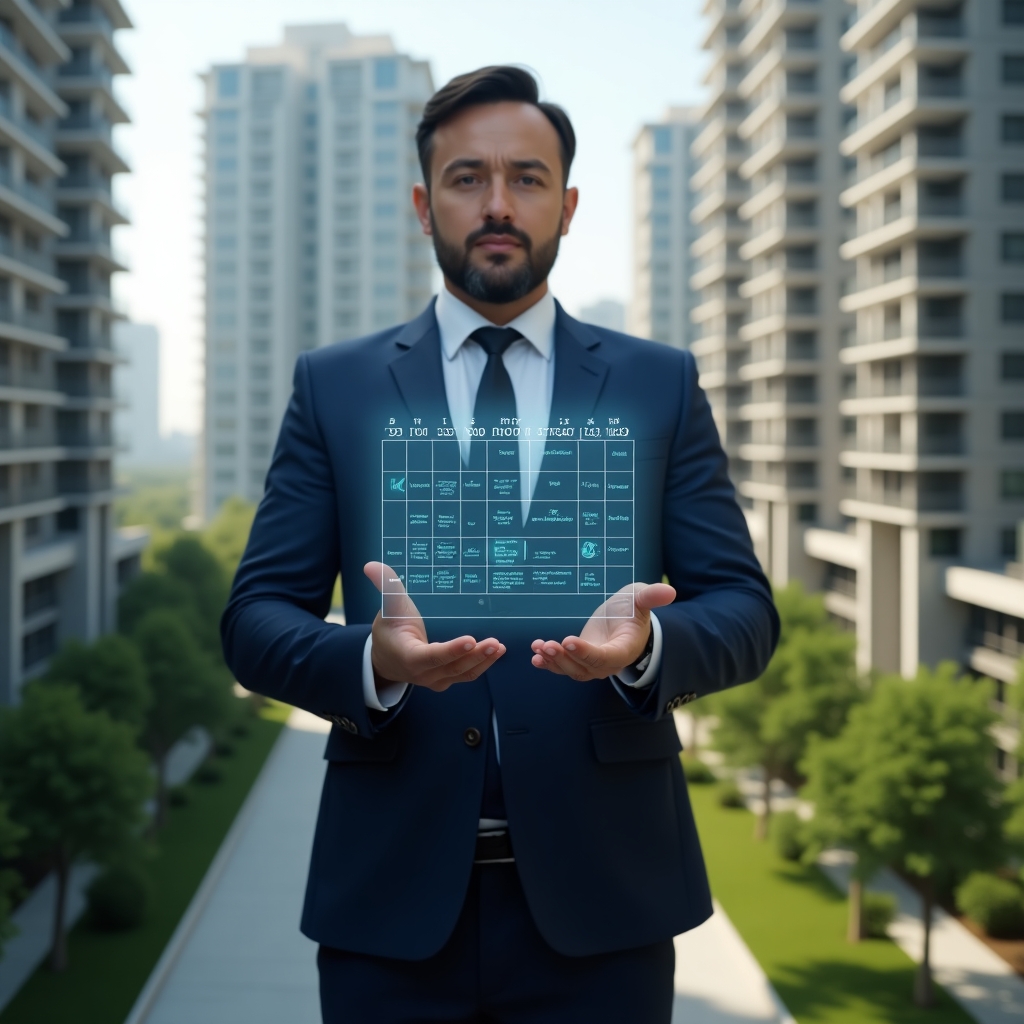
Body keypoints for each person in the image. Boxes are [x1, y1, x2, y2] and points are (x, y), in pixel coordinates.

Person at [222, 66, 779, 1024]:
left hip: (607, 908)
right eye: (466, 178)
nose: (496, 205)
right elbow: (255, 619)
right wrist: (369, 661)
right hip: (390, 907)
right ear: (421, 203)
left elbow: (743, 609)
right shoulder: (335, 388)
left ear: (566, 205)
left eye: (525, 179)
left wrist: (647, 651)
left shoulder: (659, 384)